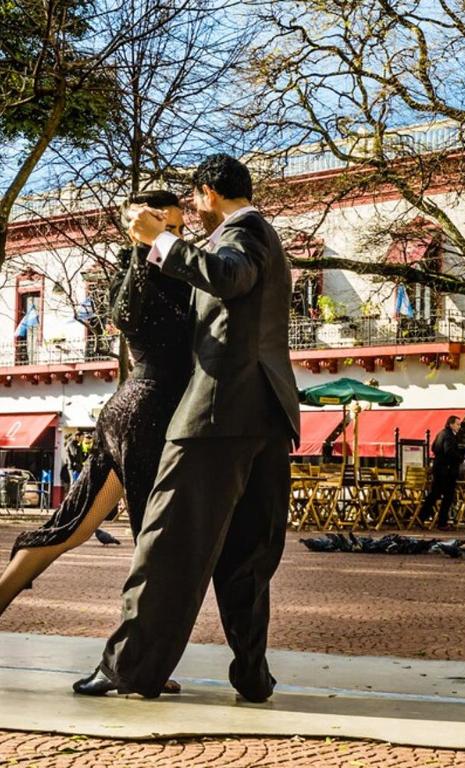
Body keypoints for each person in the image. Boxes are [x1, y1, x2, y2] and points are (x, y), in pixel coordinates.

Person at [73, 154, 300, 703]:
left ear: (207, 194)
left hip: (216, 416)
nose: (194, 214)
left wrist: (161, 241)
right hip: (268, 416)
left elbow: (227, 277)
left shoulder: (239, 235)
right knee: (249, 554)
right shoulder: (268, 238)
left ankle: (128, 669)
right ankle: (252, 673)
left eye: (195, 203)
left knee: (166, 543)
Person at [0, 190, 192, 619]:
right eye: (170, 226)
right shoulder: (142, 271)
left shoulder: (181, 269)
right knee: (152, 538)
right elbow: (127, 318)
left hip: (133, 411)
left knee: (75, 527)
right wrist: (147, 248)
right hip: (148, 413)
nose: (179, 236)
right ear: (146, 226)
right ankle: (139, 657)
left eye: (181, 227)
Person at [420, 415, 463, 531]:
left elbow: (434, 447)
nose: (459, 427)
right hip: (447, 472)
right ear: (451, 424)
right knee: (447, 497)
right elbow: (448, 451)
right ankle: (442, 522)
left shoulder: (441, 434)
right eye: (457, 424)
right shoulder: (449, 436)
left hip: (439, 469)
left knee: (434, 494)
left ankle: (421, 516)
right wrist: (459, 457)